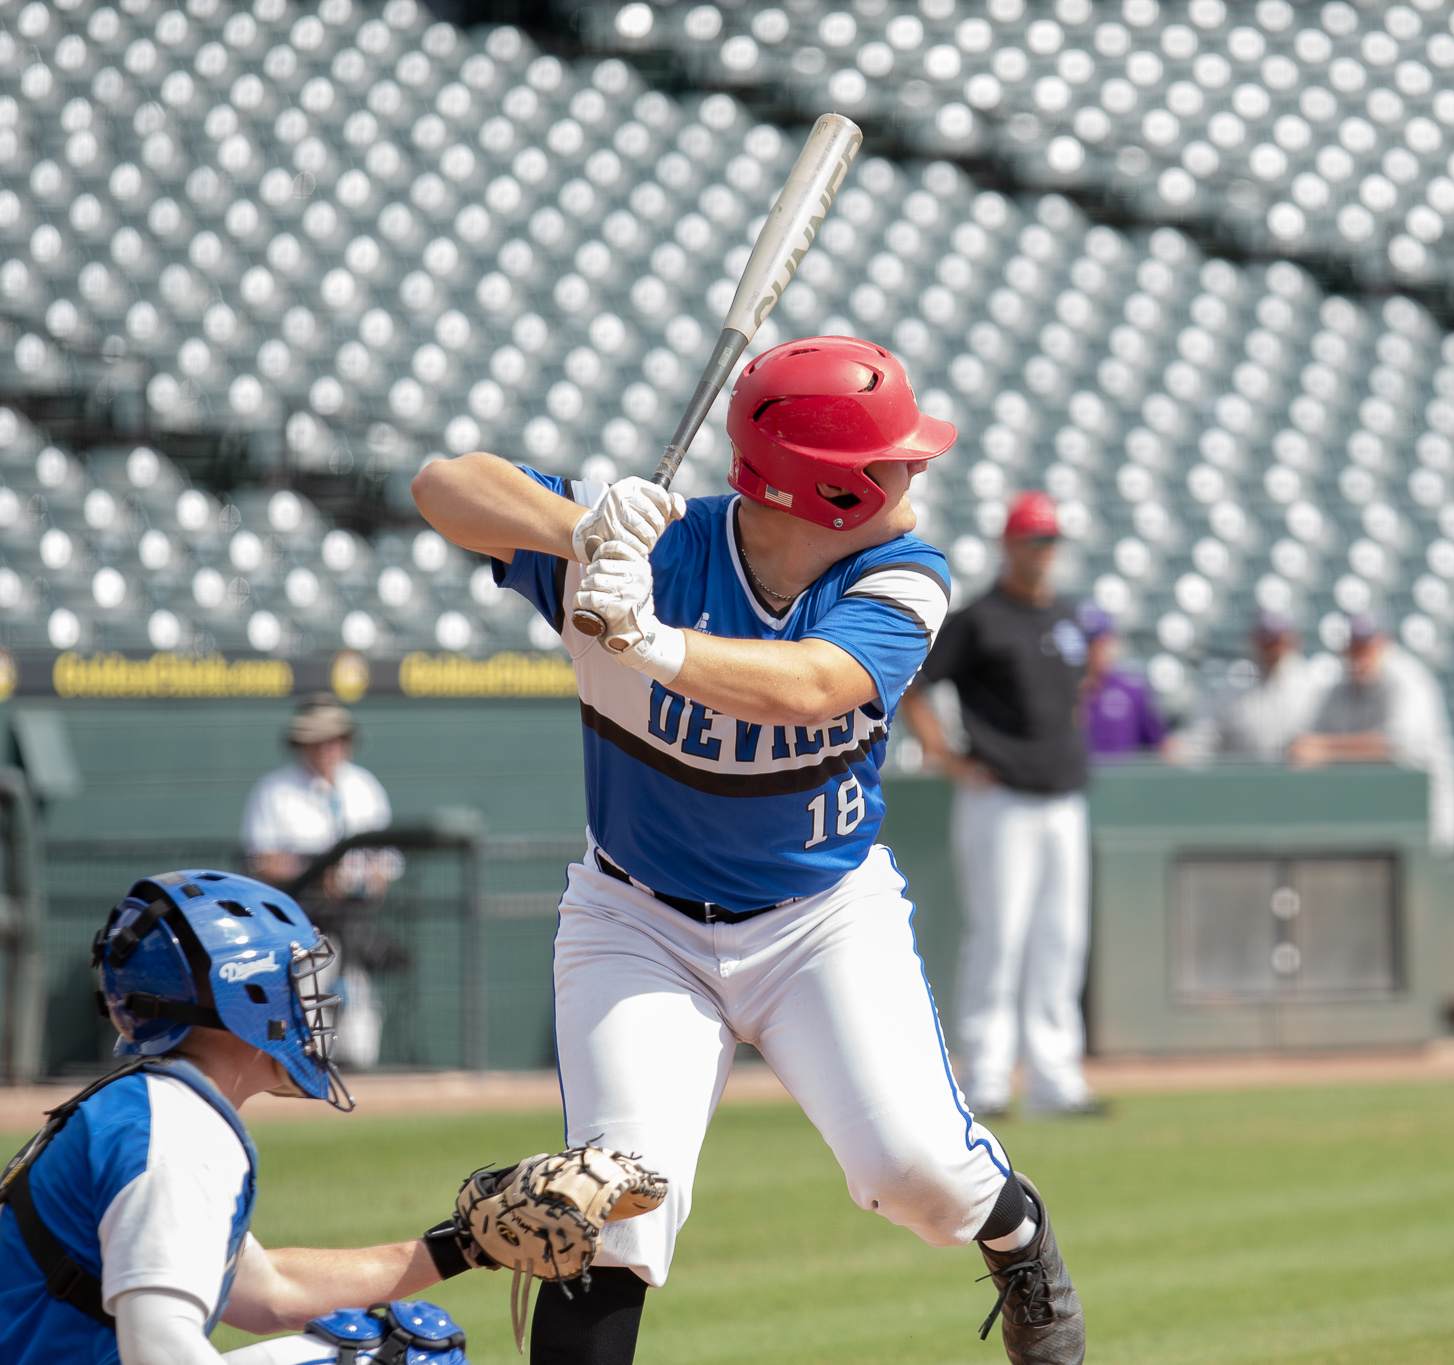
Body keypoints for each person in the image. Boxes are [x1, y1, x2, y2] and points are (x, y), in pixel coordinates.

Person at [411, 336, 1085, 1365]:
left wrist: (647, 642)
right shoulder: (652, 547)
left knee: (918, 1175)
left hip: (819, 919)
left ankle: (1015, 1232)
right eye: (892, 459)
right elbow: (441, 486)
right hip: (634, 921)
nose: (916, 471)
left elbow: (812, 684)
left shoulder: (904, 573)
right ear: (828, 489)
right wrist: (580, 527)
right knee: (604, 1209)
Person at [0, 869, 479, 1364]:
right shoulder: (176, 1138)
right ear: (245, 994)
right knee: (410, 1356)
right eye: (293, 981)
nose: (308, 1002)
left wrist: (466, 1246)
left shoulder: (154, 1108)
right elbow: (158, 1352)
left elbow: (272, 1294)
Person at [901, 491, 1102, 1120]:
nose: (1043, 553)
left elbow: (1073, 694)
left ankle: (1055, 1078)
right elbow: (916, 683)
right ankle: (987, 1077)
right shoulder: (980, 619)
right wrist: (945, 753)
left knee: (1061, 939)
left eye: (1050, 542)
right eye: (1033, 541)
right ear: (1008, 545)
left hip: (1062, 795)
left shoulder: (1066, 619)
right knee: (1000, 935)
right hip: (1000, 797)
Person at [240, 694, 403, 1068]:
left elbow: (389, 861)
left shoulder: (364, 787)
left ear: (346, 741)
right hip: (300, 929)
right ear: (301, 744)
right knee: (310, 1036)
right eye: (316, 740)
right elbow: (258, 857)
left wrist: (366, 880)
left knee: (359, 1044)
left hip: (355, 927)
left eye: (334, 738)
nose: (326, 748)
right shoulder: (275, 791)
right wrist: (314, 873)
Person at [1290, 613, 1454, 848]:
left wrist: (1325, 748)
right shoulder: (1342, 687)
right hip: (1384, 825)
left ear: (1385, 644)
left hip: (1431, 823)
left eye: (1367, 645)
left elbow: (1394, 747)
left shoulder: (1408, 679)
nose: (1360, 655)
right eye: (1355, 646)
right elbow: (1306, 742)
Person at [1166, 611, 1330, 763]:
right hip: (1245, 786)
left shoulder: (1316, 688)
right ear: (1254, 640)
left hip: (1303, 786)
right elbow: (1197, 740)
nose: (1272, 647)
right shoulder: (1230, 688)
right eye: (1266, 639)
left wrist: (1321, 748)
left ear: (1291, 640)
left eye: (1277, 639)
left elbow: (1338, 742)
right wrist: (1182, 748)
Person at [1078, 602, 1168, 759]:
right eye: (1089, 643)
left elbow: (1161, 745)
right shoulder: (1058, 691)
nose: (1095, 650)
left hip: (1124, 782)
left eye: (1101, 641)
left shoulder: (1132, 690)